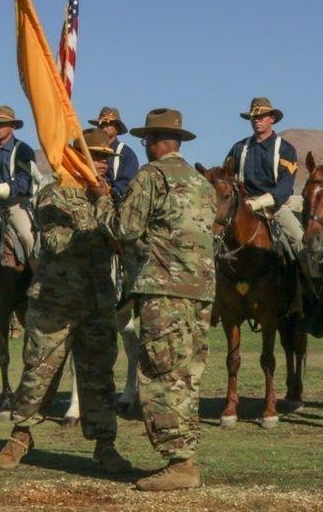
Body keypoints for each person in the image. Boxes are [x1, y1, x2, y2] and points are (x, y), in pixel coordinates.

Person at [89, 108, 216, 491]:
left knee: (162, 376)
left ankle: (179, 464)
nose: (144, 147)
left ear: (156, 143)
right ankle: (185, 457)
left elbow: (122, 228)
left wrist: (100, 198)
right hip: (201, 294)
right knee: (186, 377)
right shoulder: (201, 183)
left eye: (146, 141)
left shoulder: (151, 177)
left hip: (164, 292)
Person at [0, 128, 132, 474]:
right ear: (77, 156)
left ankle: (105, 444)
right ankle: (20, 436)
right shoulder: (54, 194)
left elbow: (125, 235)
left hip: (98, 302)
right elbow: (56, 242)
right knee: (38, 372)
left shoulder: (107, 197)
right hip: (55, 303)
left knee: (99, 376)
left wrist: (108, 215)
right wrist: (106, 232)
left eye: (107, 159)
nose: (104, 164)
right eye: (97, 156)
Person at [224, 97, 303, 258]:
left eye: (261, 117)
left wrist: (258, 203)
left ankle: (310, 281)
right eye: (253, 118)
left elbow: (284, 189)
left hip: (274, 208)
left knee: (299, 239)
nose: (257, 121)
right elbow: (226, 177)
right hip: (242, 205)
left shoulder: (286, 149)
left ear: (272, 119)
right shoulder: (239, 148)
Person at [0, 105, 37, 262]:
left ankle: (38, 276)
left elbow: (24, 183)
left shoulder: (24, 151)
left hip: (15, 204)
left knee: (28, 237)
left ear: (12, 126)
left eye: (2, 124)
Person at [88, 107, 140, 202]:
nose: (104, 127)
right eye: (101, 124)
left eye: (108, 124)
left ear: (117, 128)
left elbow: (127, 182)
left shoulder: (127, 153)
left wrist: (110, 193)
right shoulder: (89, 149)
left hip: (113, 202)